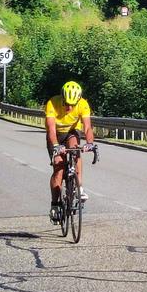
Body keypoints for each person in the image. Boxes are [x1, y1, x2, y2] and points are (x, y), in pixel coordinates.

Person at [45, 81, 95, 223]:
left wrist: (89, 143)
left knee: (75, 149)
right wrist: (55, 145)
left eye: (72, 105)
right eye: (66, 103)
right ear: (62, 98)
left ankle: (79, 188)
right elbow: (51, 130)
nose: (69, 107)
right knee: (59, 167)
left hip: (72, 132)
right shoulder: (52, 103)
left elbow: (87, 127)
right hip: (56, 135)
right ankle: (55, 204)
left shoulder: (83, 104)